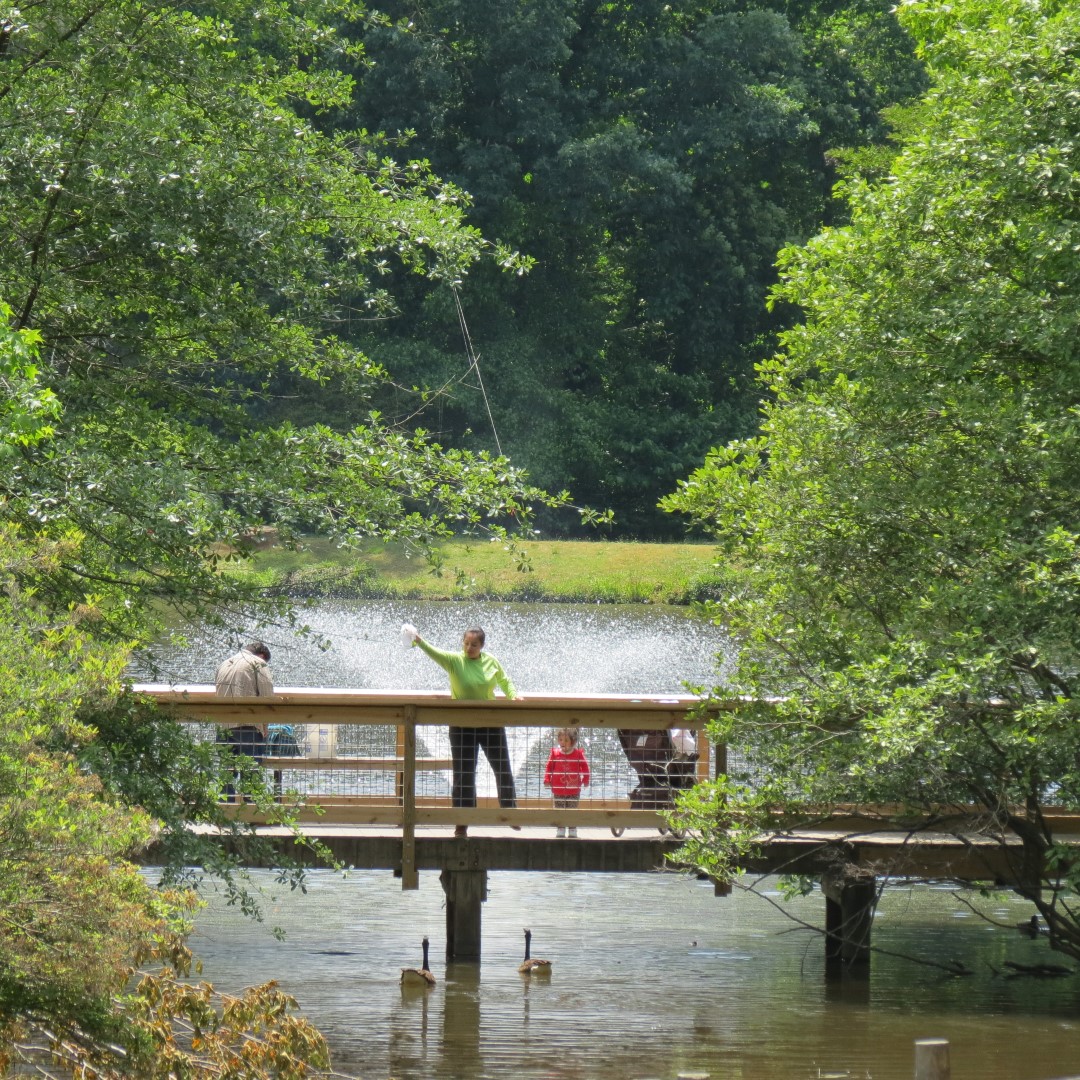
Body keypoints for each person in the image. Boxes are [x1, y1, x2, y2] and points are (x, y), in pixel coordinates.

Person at [407, 624, 519, 836]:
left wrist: (513, 696)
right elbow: (434, 652)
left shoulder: (491, 661)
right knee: (464, 774)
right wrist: (418, 640)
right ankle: (462, 822)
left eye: (474, 645)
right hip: (461, 726)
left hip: (491, 723)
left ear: (482, 646)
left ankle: (510, 812)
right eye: (466, 643)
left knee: (502, 767)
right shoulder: (454, 661)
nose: (469, 648)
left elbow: (505, 681)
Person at [215, 641, 273, 800]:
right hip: (248, 725)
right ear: (262, 655)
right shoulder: (258, 663)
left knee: (226, 775)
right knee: (251, 774)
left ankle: (225, 810)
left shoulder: (225, 663)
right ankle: (251, 811)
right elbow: (268, 698)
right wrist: (265, 727)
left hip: (223, 726)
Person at [543, 726, 590, 838]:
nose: (562, 743)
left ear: (573, 741)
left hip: (573, 789)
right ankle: (561, 828)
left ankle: (572, 828)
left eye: (566, 740)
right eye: (560, 740)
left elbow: (585, 767)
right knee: (559, 809)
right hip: (558, 789)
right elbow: (549, 767)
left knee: (572, 809)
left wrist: (586, 779)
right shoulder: (555, 753)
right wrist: (547, 779)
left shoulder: (578, 754)